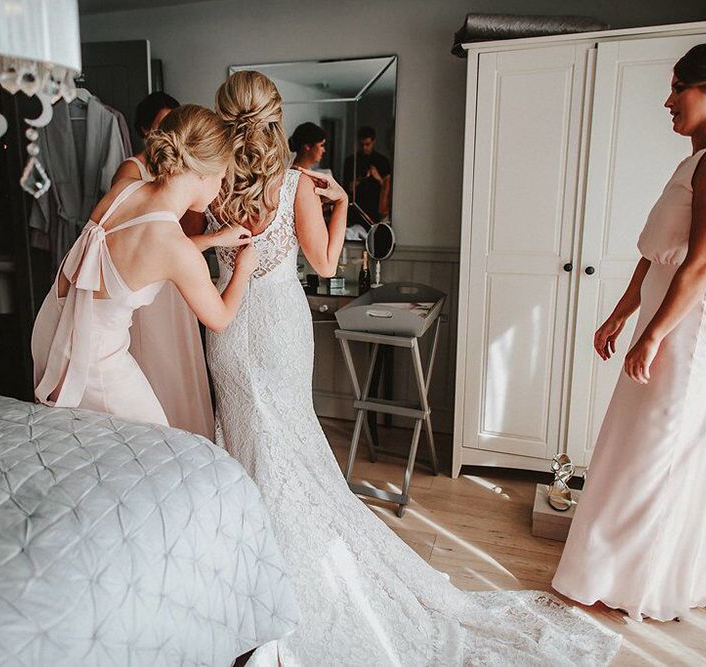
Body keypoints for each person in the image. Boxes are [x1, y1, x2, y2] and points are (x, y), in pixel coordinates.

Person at [204, 70, 619, 666]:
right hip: (276, 325)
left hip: (227, 326)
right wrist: (345, 201)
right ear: (275, 115)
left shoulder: (212, 180)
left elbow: (197, 246)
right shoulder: (295, 182)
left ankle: (247, 579)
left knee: (246, 443)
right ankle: (291, 577)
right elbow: (323, 265)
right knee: (288, 441)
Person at [553, 44, 706, 622]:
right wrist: (622, 313)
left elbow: (698, 264)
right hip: (659, 316)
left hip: (685, 330)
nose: (668, 100)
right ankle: (616, 570)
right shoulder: (690, 163)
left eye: (680, 87)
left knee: (655, 452)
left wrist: (655, 335)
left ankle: (633, 580)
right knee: (629, 444)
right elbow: (655, 255)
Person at [32, 105, 256, 427]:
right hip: (92, 360)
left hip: (52, 331)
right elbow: (219, 318)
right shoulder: (174, 248)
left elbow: (132, 258)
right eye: (222, 177)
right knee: (156, 445)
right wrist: (243, 271)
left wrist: (213, 240)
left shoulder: (123, 192)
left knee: (89, 443)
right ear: (204, 172)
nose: (220, 187)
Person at [110, 93, 215, 438]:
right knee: (153, 358)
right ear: (145, 130)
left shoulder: (187, 177)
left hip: (178, 277)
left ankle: (190, 440)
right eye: (162, 126)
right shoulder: (132, 170)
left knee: (181, 364)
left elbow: (190, 231)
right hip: (147, 285)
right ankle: (158, 439)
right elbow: (129, 232)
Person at [112, 92, 180, 184]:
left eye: (174, 124)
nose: (171, 131)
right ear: (146, 129)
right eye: (164, 125)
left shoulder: (182, 163)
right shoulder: (131, 169)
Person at [343, 125, 391, 224]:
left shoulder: (382, 161)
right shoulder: (351, 161)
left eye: (367, 144)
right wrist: (359, 180)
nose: (364, 147)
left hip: (376, 207)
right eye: (361, 145)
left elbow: (388, 190)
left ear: (373, 142)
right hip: (357, 208)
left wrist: (378, 178)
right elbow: (346, 188)